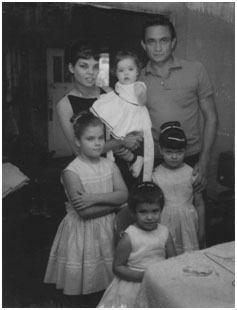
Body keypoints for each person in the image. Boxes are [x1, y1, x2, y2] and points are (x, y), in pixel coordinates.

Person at [44, 112, 128, 295]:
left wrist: (93, 198)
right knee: (87, 273)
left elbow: (124, 195)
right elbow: (85, 213)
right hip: (82, 231)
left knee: (109, 273)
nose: (97, 143)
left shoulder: (110, 165)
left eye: (100, 138)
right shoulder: (72, 172)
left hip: (108, 227)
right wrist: (115, 205)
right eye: (90, 139)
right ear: (77, 141)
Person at [139, 16, 218, 192]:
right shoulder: (137, 78)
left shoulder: (196, 70)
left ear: (173, 42)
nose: (158, 48)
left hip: (190, 157)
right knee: (154, 216)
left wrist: (204, 161)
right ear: (144, 45)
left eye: (164, 41)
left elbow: (211, 118)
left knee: (192, 212)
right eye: (151, 42)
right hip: (154, 159)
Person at [57, 40, 142, 160]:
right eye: (83, 66)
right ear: (71, 67)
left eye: (96, 66)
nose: (91, 72)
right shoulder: (65, 104)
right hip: (89, 169)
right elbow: (79, 151)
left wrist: (129, 141)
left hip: (117, 163)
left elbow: (125, 128)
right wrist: (120, 141)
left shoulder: (108, 92)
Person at [97, 181, 176, 308]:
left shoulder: (165, 232)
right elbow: (117, 267)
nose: (150, 217)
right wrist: (142, 277)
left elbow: (173, 261)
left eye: (155, 211)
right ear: (133, 213)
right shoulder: (129, 237)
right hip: (134, 284)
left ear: (161, 210)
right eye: (143, 212)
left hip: (158, 281)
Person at [90, 49, 153, 181]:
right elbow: (104, 85)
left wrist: (140, 92)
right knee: (116, 148)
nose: (126, 73)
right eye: (121, 71)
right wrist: (103, 60)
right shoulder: (118, 87)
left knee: (128, 146)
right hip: (123, 122)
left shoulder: (139, 85)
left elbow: (142, 101)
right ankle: (135, 160)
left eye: (130, 69)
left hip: (134, 123)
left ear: (137, 71)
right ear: (116, 73)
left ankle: (136, 160)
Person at [152, 121, 206, 255]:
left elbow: (199, 203)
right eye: (169, 152)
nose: (174, 156)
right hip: (165, 223)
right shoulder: (155, 174)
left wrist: (202, 229)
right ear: (161, 150)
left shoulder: (192, 173)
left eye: (179, 152)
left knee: (189, 259)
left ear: (185, 150)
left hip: (188, 225)